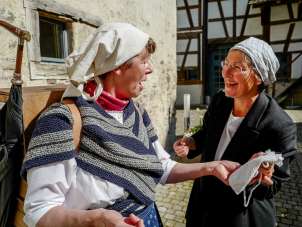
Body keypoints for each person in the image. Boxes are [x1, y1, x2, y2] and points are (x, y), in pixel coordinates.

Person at [21, 22, 239, 227]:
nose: (150, 69)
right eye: (144, 61)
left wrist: (210, 168)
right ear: (118, 66)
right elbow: (39, 211)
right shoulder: (62, 121)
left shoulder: (135, 112)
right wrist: (98, 219)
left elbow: (159, 166)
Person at [174, 37, 297, 227]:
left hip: (238, 216)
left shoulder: (280, 124)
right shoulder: (220, 101)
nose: (225, 72)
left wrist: (264, 178)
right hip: (201, 205)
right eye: (226, 64)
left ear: (258, 76)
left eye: (237, 67)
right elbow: (207, 134)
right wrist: (192, 143)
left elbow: (274, 185)